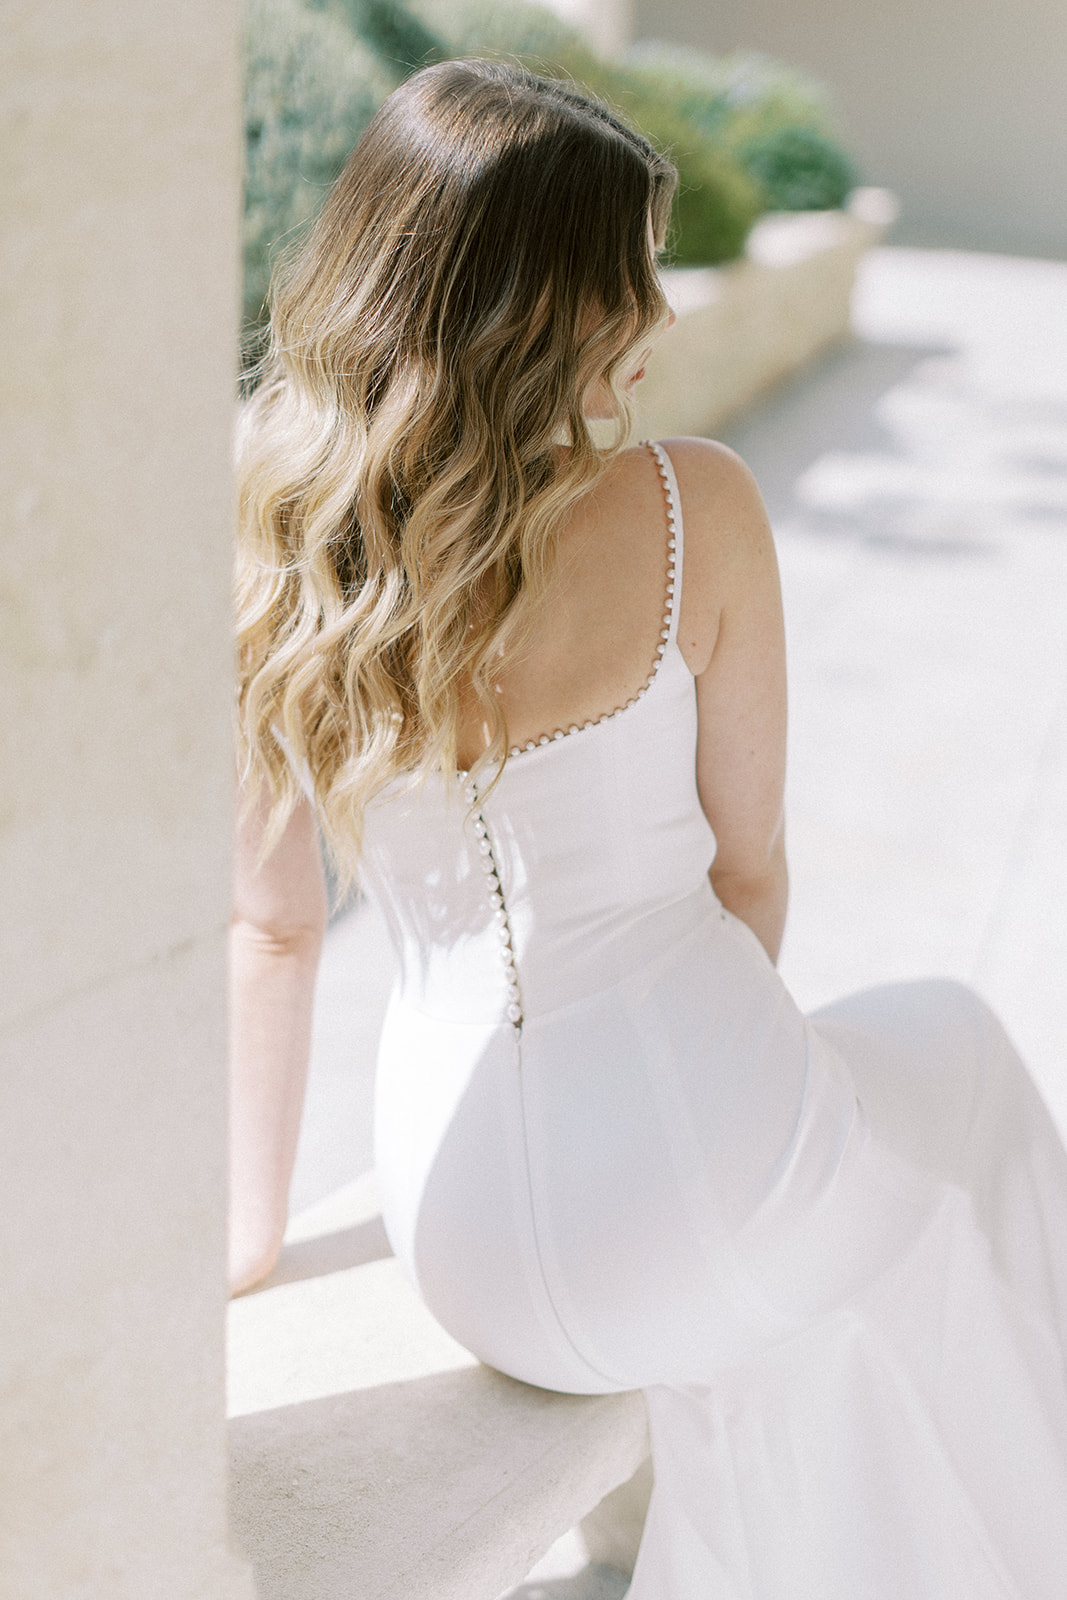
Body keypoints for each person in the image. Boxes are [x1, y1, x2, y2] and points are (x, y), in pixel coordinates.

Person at [229, 57, 1067, 1598]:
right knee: (961, 1061)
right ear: (530, 304)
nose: (664, 315)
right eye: (630, 278)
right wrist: (704, 1114)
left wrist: (248, 1241)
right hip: (707, 1190)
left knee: (818, 1262)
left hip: (463, 1246)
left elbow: (272, 930)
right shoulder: (695, 507)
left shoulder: (290, 550)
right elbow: (749, 874)